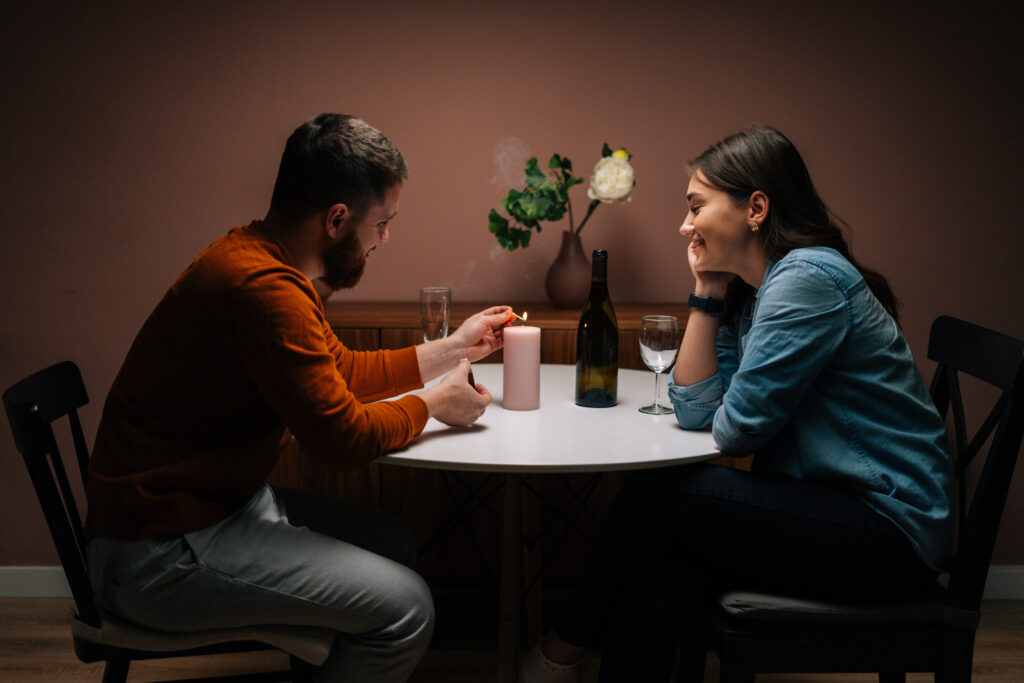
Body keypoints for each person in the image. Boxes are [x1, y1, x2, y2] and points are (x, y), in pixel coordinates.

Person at [85, 113, 513, 682]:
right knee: (409, 608)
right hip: (159, 552)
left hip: (208, 513)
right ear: (338, 219)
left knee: (392, 541)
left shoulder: (260, 258)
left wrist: (452, 347)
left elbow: (336, 370)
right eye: (381, 222)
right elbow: (340, 441)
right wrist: (434, 404)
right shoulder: (266, 293)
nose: (385, 238)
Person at [520, 126, 954, 682]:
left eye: (696, 206)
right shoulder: (758, 290)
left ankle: (559, 650)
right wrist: (708, 291)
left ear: (756, 208)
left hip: (889, 532)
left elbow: (736, 432)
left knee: (656, 498)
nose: (684, 225)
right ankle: (562, 655)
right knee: (662, 567)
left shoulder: (807, 280)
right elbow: (699, 410)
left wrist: (715, 324)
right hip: (835, 511)